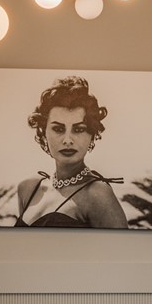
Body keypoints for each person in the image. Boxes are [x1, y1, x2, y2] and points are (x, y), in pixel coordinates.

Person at [13, 76, 128, 228]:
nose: (68, 140)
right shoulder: (28, 188)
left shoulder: (97, 195)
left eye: (79, 129)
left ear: (92, 134)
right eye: (58, 129)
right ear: (44, 132)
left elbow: (121, 251)